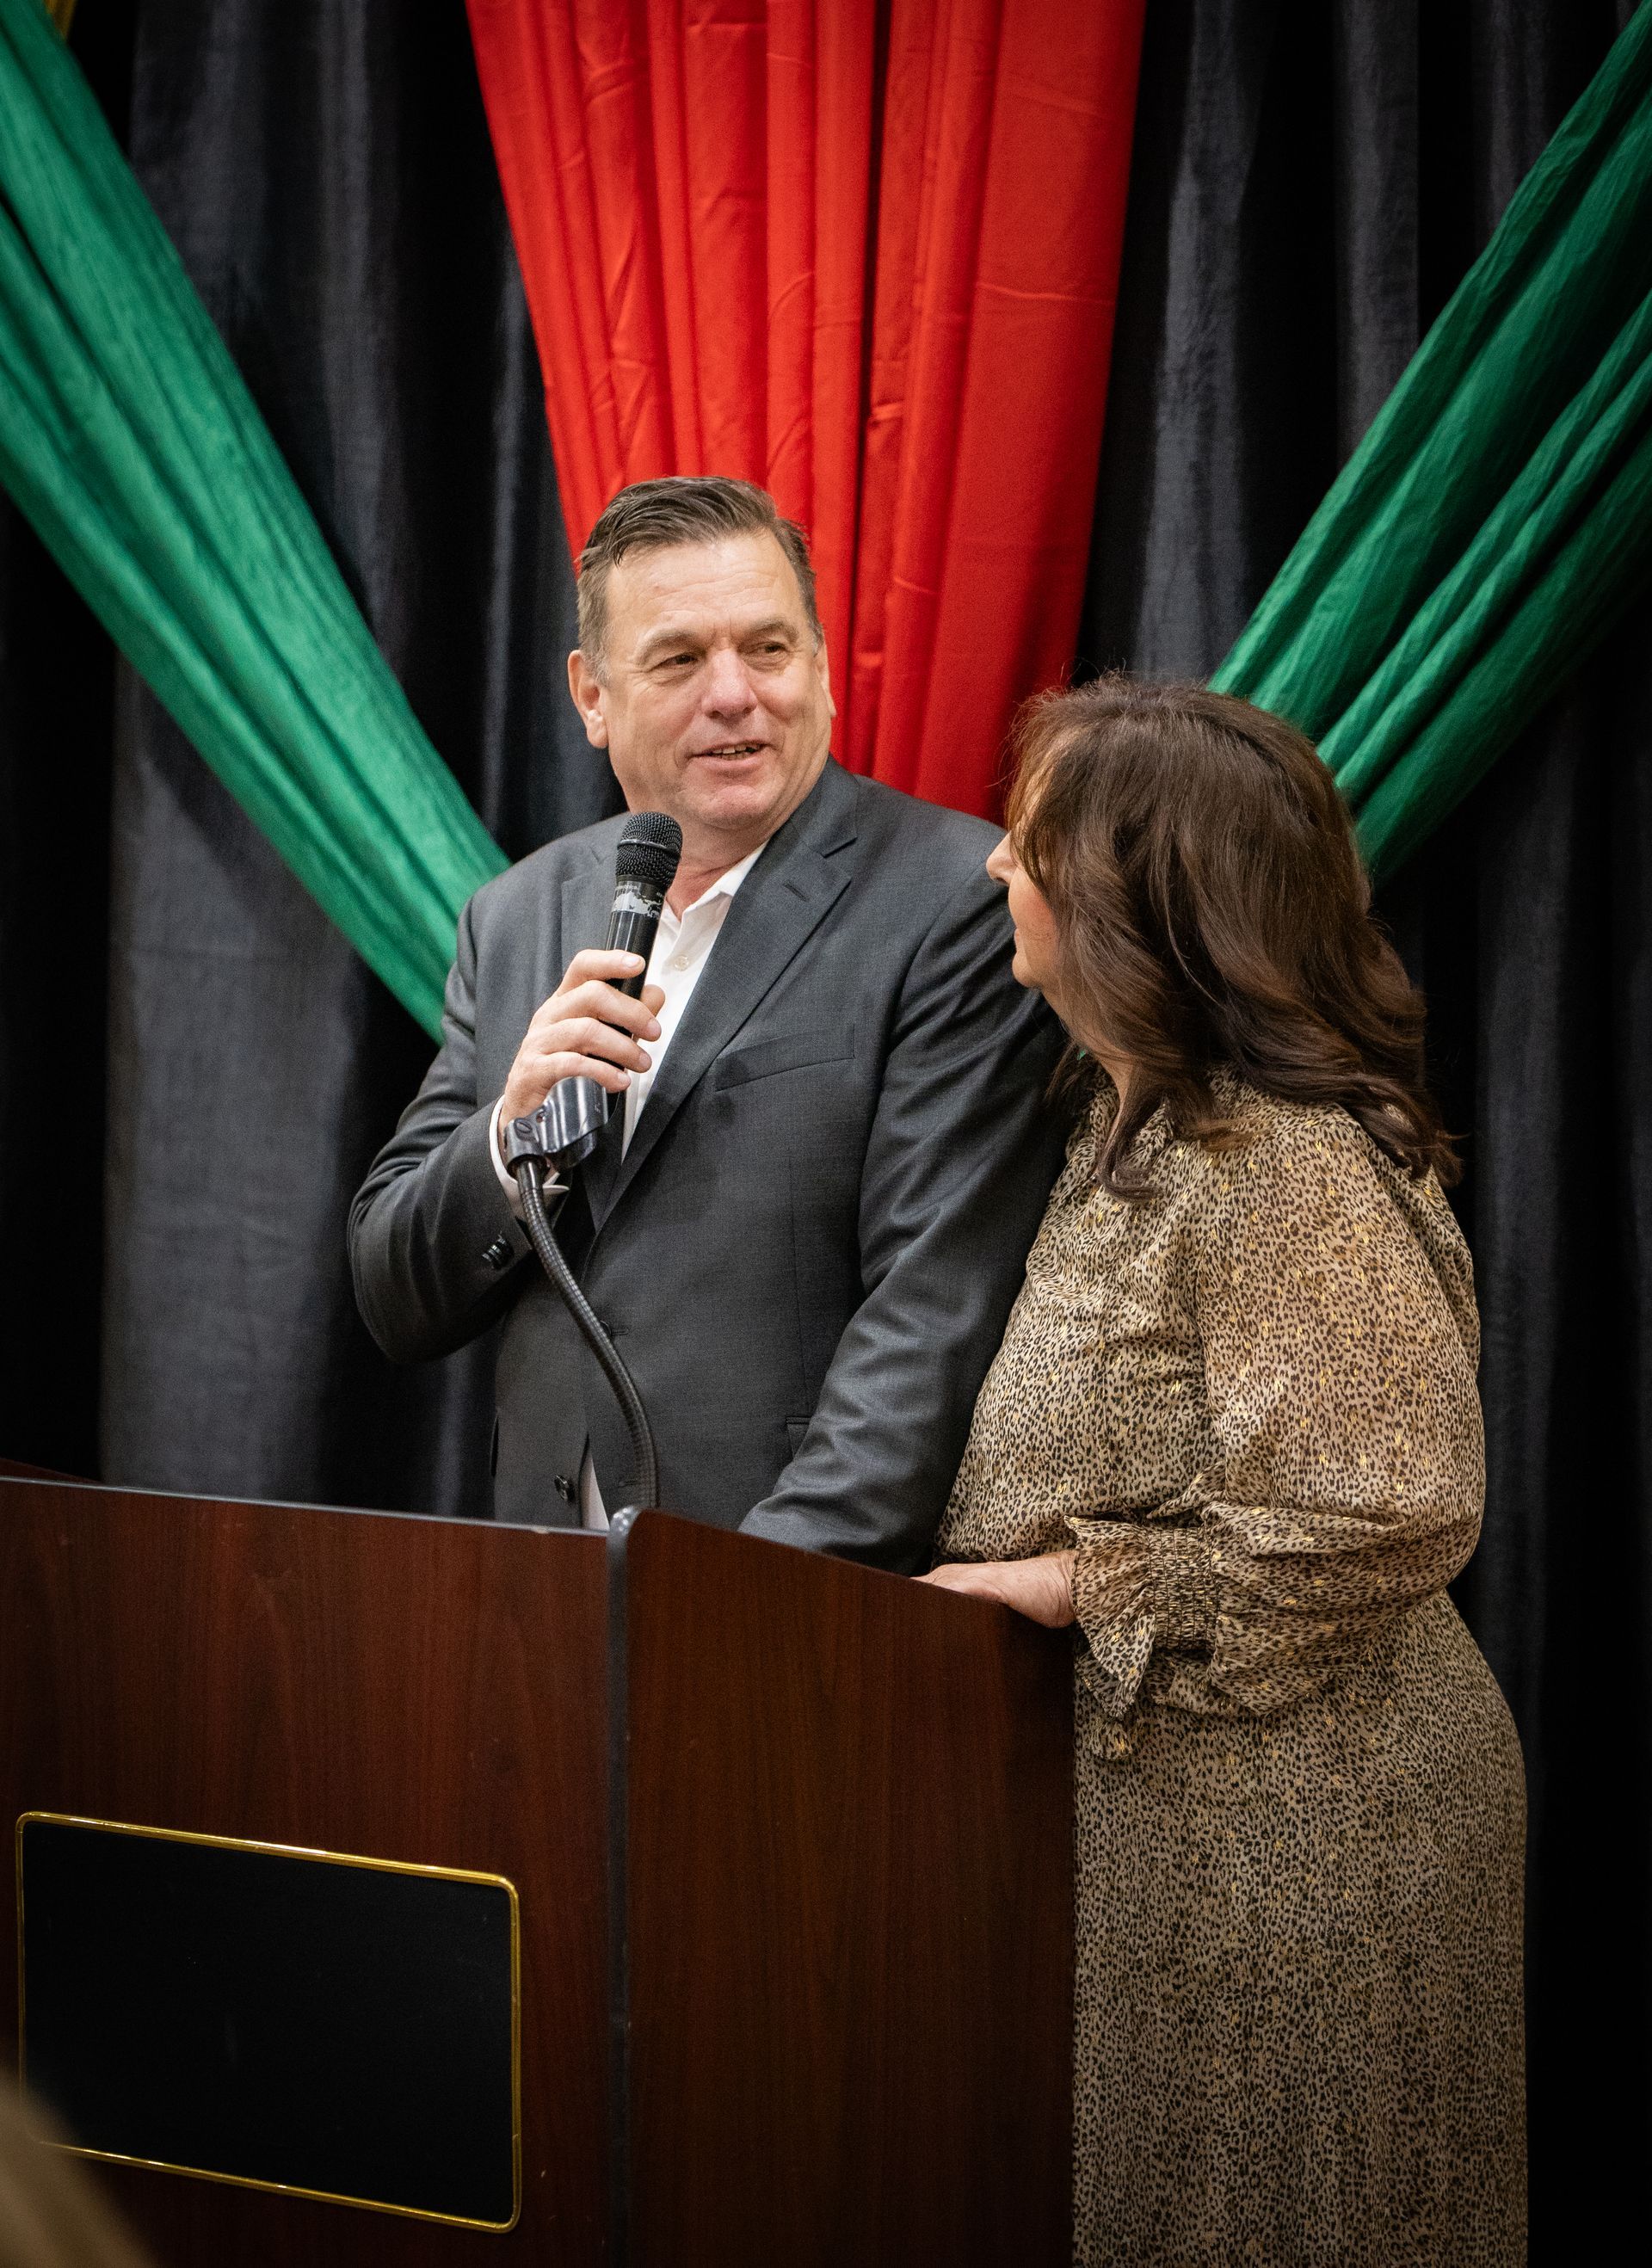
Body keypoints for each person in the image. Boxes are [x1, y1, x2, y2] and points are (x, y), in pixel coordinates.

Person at [923, 680, 1526, 2265]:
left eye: (1032, 841)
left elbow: (1386, 1505)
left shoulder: (1284, 1158)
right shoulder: (1130, 1121)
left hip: (1309, 1852)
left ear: (1137, 899)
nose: (997, 868)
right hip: (1186, 1842)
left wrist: (1069, 1580)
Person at [350, 476, 1065, 1562]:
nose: (734, 694)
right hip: (538, 1608)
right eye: (680, 660)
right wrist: (506, 1132)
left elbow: (932, 1324)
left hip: (789, 1618)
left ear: (821, 667)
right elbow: (394, 1291)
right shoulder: (515, 915)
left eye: (769, 650)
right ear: (592, 694)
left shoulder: (956, 900)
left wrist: (738, 1606)